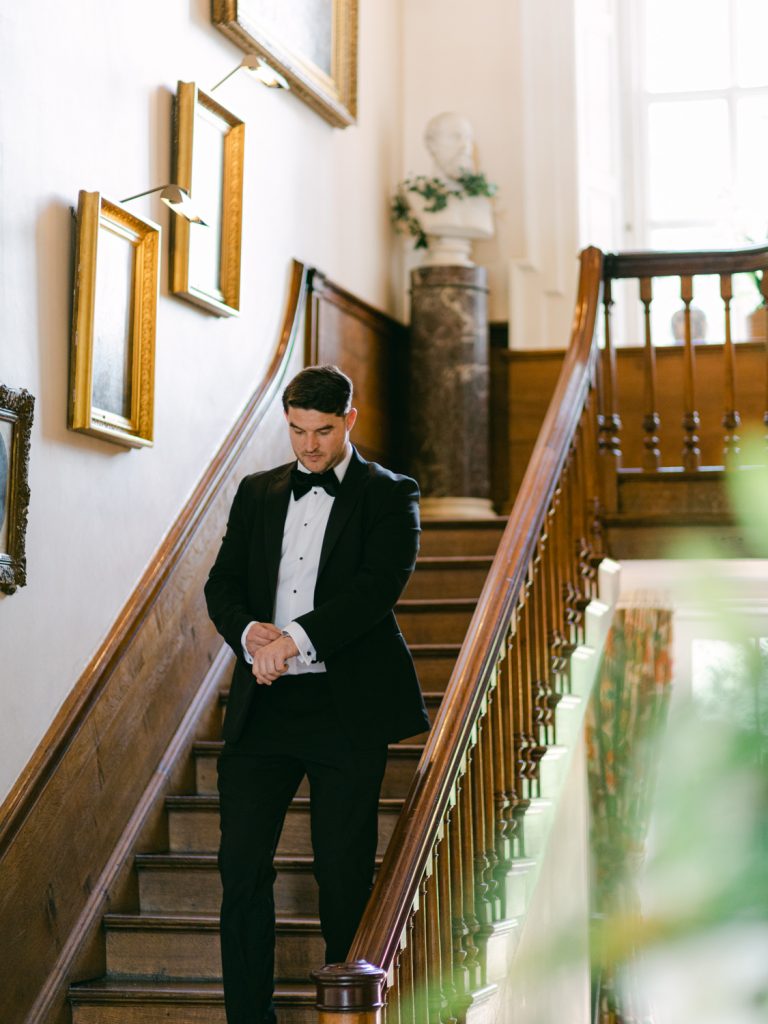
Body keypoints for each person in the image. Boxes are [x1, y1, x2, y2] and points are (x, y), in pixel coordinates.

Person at [204, 364, 430, 1024]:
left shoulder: (392, 494)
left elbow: (374, 591)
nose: (308, 446)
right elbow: (222, 585)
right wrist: (251, 634)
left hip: (344, 708)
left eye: (323, 431)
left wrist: (293, 640)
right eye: (298, 430)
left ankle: (348, 1015)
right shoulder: (257, 492)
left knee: (342, 874)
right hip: (263, 710)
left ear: (349, 420)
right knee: (241, 868)